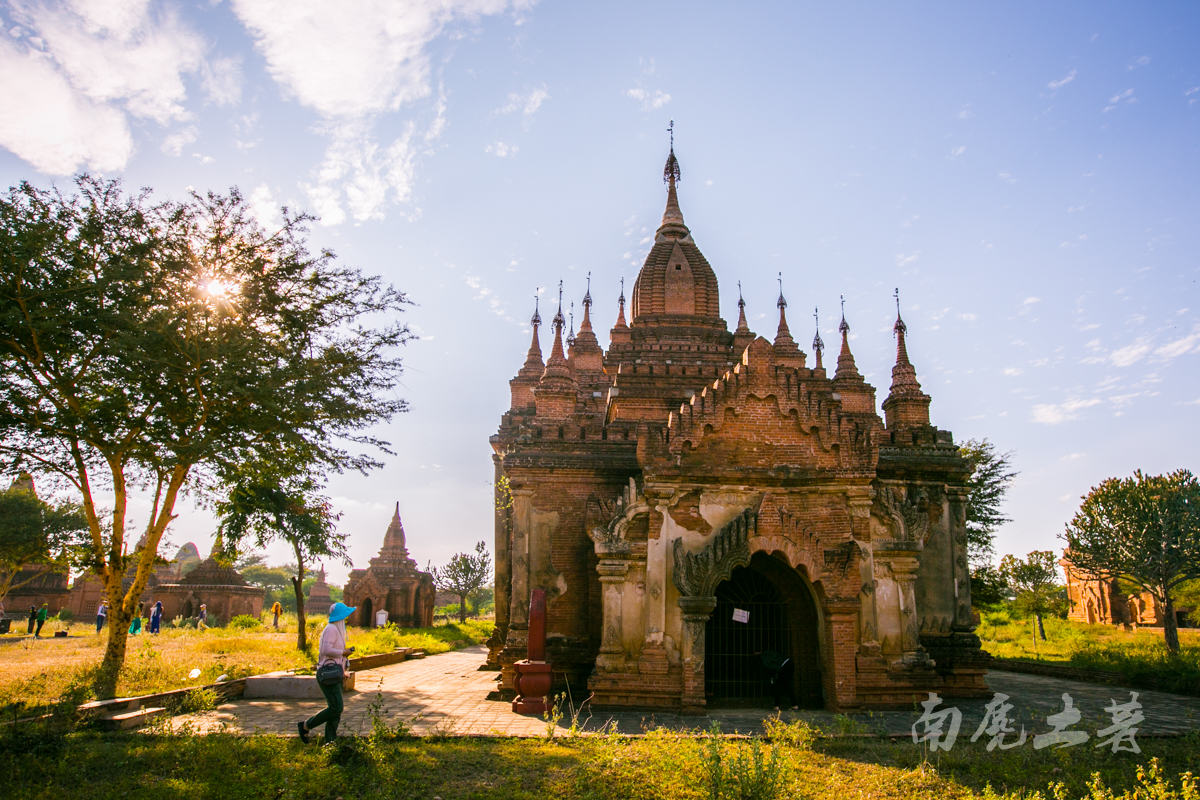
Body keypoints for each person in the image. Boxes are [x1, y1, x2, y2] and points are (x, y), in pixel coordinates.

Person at [298, 601, 356, 744]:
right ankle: (306, 725)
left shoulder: (336, 630)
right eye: (345, 616)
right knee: (337, 707)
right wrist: (344, 652)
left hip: (334, 674)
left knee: (335, 708)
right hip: (328, 674)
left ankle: (330, 740)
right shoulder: (331, 629)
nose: (346, 620)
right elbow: (326, 650)